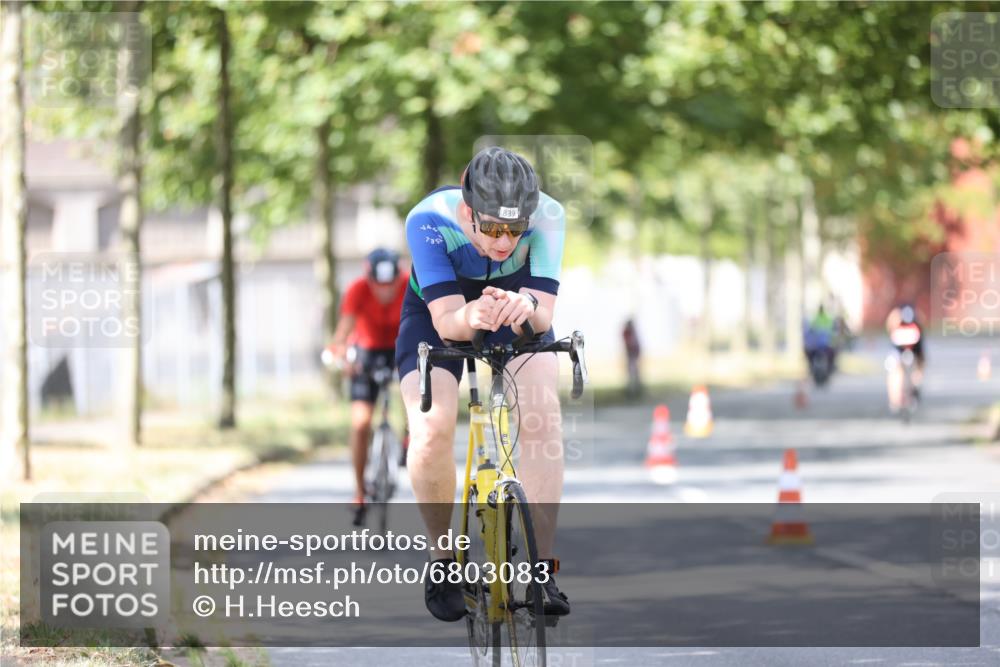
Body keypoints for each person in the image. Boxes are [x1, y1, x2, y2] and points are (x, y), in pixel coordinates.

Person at [396, 146, 570, 622]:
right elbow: (448, 321)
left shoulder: (550, 216)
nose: (504, 241)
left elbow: (541, 316)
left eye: (516, 229)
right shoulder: (428, 219)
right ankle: (443, 561)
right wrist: (471, 315)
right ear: (467, 211)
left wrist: (524, 312)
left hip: (514, 311)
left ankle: (541, 570)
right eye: (492, 227)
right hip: (441, 315)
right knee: (431, 427)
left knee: (542, 418)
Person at [326, 248, 408, 526]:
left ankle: (409, 437)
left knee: (417, 388)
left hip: (401, 349)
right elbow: (343, 331)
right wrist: (341, 354)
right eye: (378, 286)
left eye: (390, 285)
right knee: (360, 423)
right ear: (369, 278)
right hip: (367, 354)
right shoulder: (357, 290)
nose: (385, 292)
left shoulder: (410, 284)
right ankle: (360, 491)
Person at [884, 303, 926, 411]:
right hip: (899, 349)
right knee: (896, 370)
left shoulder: (915, 326)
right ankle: (896, 399)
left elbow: (920, 355)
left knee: (912, 371)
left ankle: (911, 391)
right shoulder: (898, 320)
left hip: (912, 348)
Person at [803, 305, 837, 385]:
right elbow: (810, 331)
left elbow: (833, 331)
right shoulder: (821, 319)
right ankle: (812, 368)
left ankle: (829, 368)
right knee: (810, 353)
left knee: (832, 354)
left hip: (822, 344)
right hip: (821, 344)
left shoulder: (820, 319)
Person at [622, 318, 642, 397]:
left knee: (634, 374)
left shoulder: (631, 333)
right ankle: (632, 392)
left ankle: (635, 391)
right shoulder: (628, 333)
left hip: (633, 356)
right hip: (631, 356)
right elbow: (631, 345)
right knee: (632, 374)